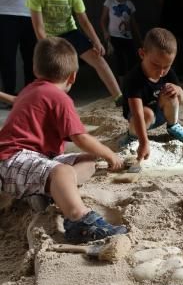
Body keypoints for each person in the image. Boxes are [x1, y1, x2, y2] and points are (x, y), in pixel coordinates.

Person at [0, 37, 127, 241]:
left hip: (29, 162)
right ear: (73, 77)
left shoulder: (30, 89)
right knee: (63, 171)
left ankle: (48, 191)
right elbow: (81, 137)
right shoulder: (59, 98)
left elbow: (19, 101)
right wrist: (110, 154)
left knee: (87, 160)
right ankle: (78, 220)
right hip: (13, 159)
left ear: (35, 69)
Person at [26, 0, 122, 104]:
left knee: (99, 60)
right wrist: (49, 49)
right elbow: (38, 28)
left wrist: (97, 41)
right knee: (53, 71)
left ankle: (119, 97)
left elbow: (83, 20)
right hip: (49, 37)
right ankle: (50, 103)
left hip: (70, 32)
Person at [119, 27, 183, 159]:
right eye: (156, 65)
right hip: (139, 119)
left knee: (172, 93)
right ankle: (132, 136)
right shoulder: (133, 78)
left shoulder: (167, 73)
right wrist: (143, 141)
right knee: (146, 113)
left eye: (167, 66)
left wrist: (179, 90)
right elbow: (137, 112)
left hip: (161, 114)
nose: (161, 71)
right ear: (142, 54)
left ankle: (173, 126)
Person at [100, 0, 141, 98]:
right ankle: (122, 91)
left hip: (128, 38)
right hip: (115, 37)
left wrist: (140, 39)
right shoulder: (109, 2)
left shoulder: (130, 4)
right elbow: (103, 20)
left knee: (133, 62)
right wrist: (105, 33)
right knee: (121, 63)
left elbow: (134, 23)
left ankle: (133, 86)